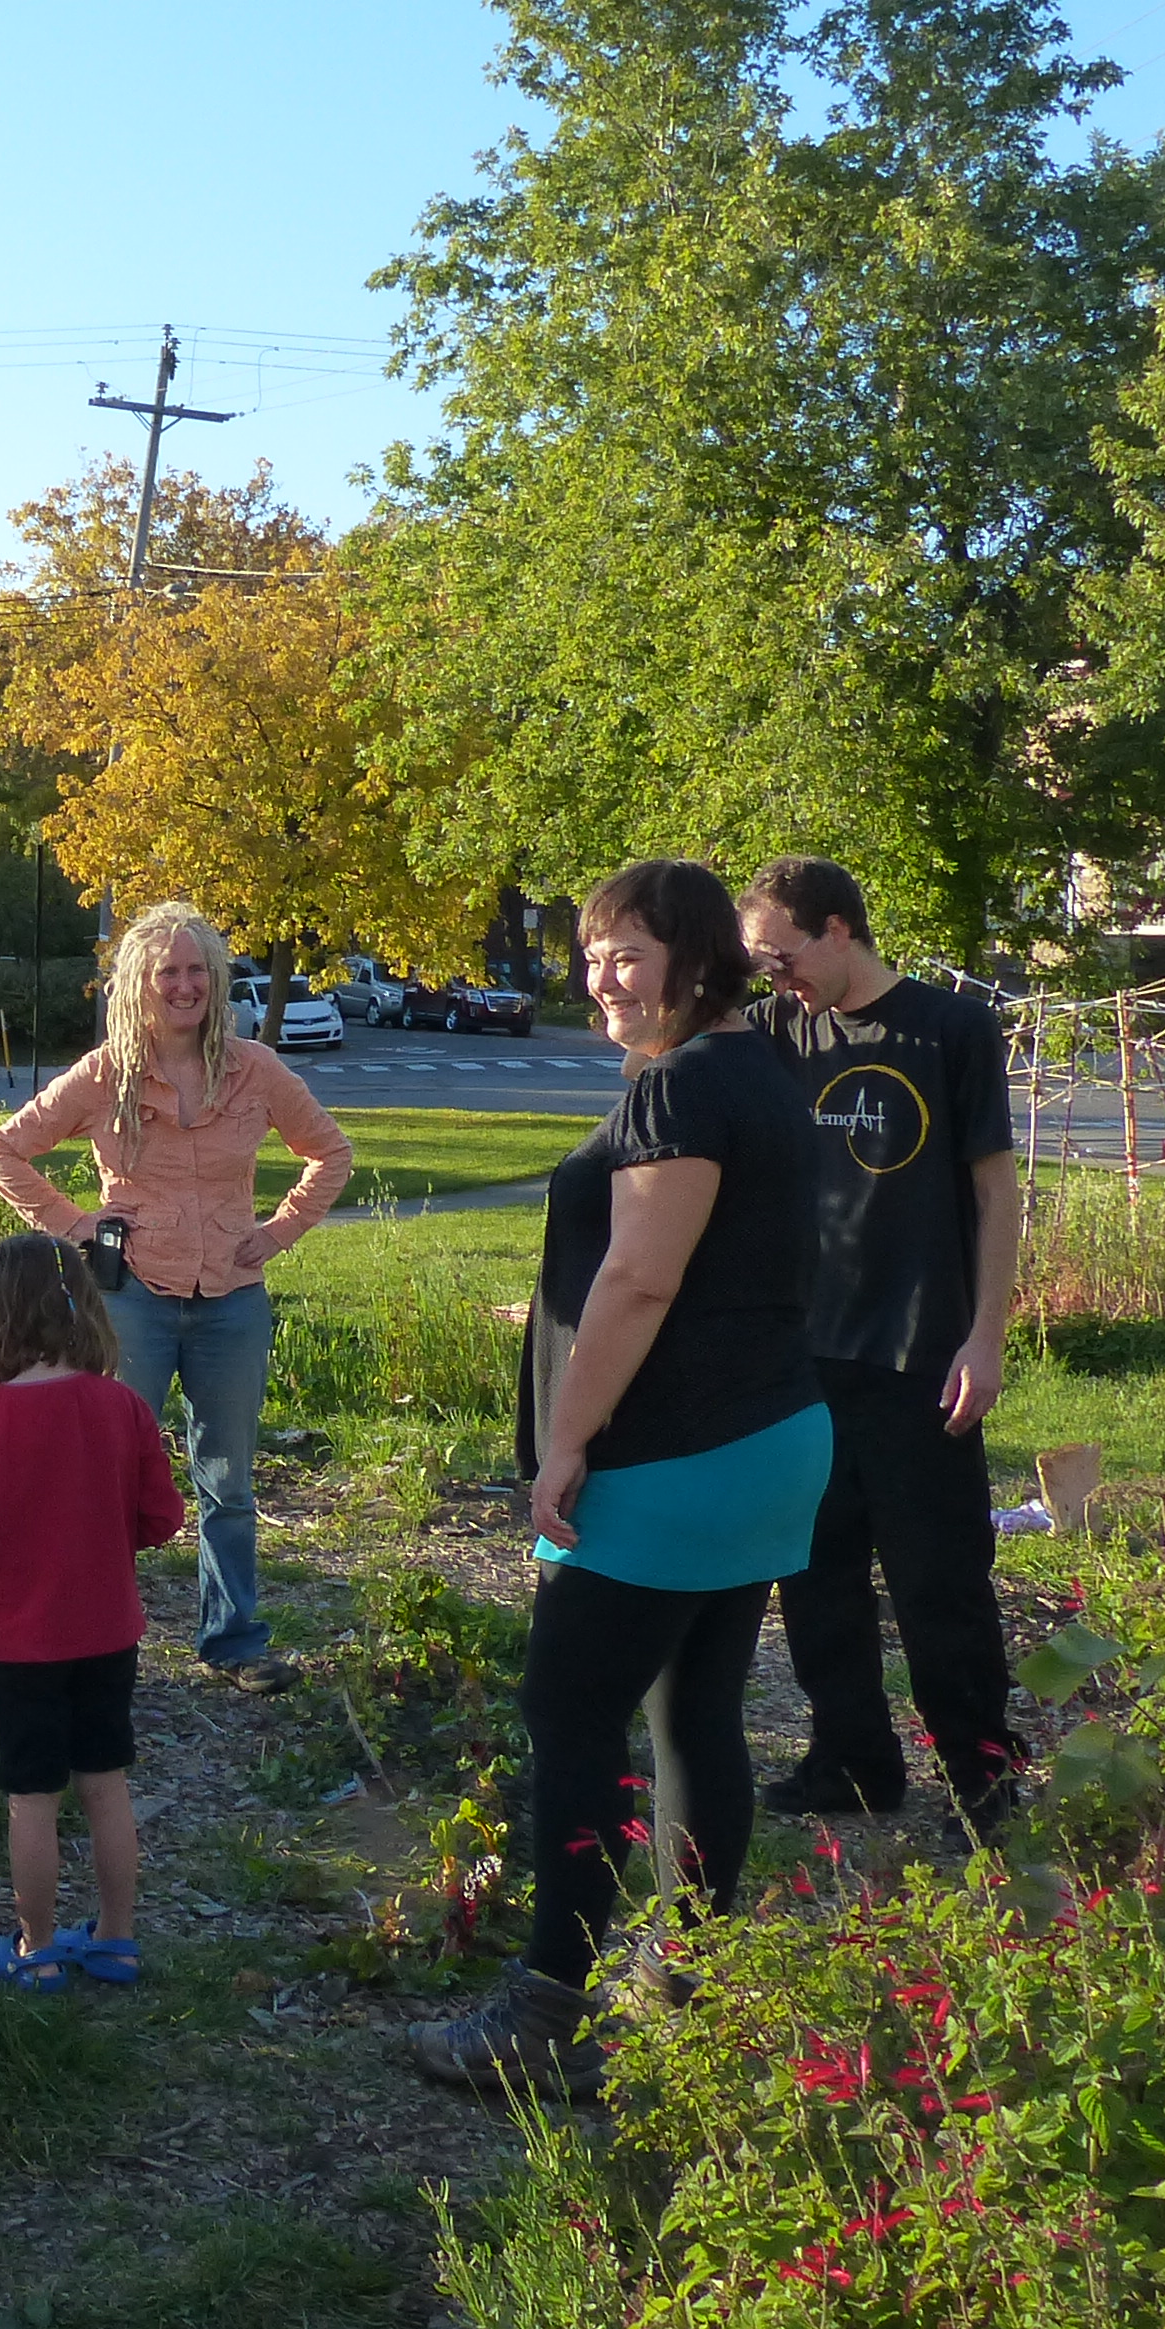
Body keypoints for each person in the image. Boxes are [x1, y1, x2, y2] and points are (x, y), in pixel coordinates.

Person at [413, 860, 827, 2099]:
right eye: (590, 951)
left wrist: (562, 1441)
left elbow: (640, 1283)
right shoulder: (753, 1074)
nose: (601, 974)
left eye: (629, 952)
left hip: (672, 1457)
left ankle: (549, 2017)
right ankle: (689, 1984)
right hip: (764, 1441)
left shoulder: (682, 1092)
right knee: (692, 1712)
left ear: (699, 962)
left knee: (571, 1719)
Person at [0, 902, 353, 1686]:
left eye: (197, 972)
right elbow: (2, 1152)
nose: (184, 987)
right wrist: (79, 1224)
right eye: (167, 973)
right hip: (130, 1302)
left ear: (215, 982)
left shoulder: (257, 1069)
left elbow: (331, 1153)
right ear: (138, 985)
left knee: (229, 1480)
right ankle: (100, 1642)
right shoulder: (105, 1073)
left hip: (233, 1301)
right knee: (111, 1473)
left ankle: (235, 1642)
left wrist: (279, 1232)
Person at [736, 857, 1027, 1834]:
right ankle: (851, 1764)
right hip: (799, 1357)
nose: (776, 977)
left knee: (940, 1585)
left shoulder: (949, 1030)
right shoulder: (775, 1029)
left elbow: (994, 1192)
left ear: (837, 929)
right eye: (760, 965)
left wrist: (984, 1340)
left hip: (919, 1357)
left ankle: (983, 1781)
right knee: (813, 1580)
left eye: (782, 956)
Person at [0, 1233, 183, 1990]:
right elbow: (163, 1518)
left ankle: (35, 1948)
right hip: (108, 1631)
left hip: (21, 1639)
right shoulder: (123, 1408)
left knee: (31, 1797)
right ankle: (115, 1938)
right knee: (106, 1784)